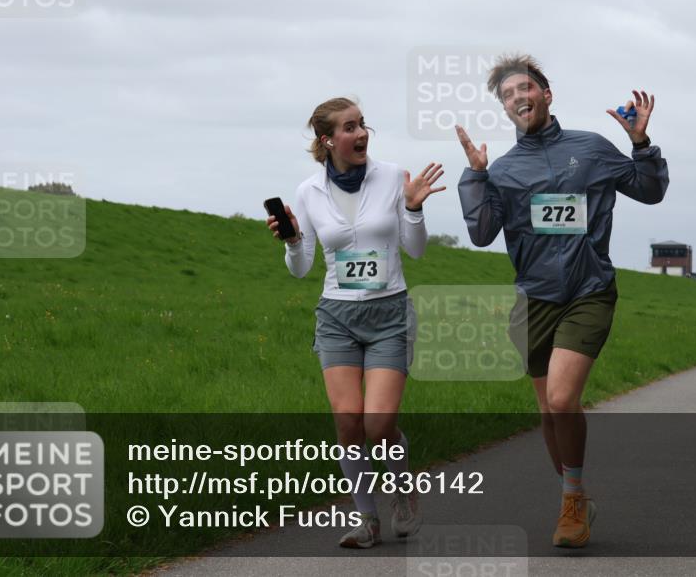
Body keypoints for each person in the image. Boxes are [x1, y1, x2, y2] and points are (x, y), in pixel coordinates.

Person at [456, 54, 669, 548]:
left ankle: (572, 499)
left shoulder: (591, 149)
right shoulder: (504, 171)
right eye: (507, 95)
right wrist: (476, 178)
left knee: (561, 398)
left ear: (546, 95)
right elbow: (483, 234)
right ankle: (575, 496)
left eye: (524, 89)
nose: (517, 98)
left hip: (588, 290)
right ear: (505, 109)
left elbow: (650, 190)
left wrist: (640, 143)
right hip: (532, 302)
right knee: (550, 414)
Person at [268, 97, 445, 548]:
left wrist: (414, 209)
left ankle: (404, 491)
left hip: (389, 313)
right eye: (350, 127)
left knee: (377, 424)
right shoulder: (309, 192)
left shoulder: (391, 177)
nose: (362, 133)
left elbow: (417, 250)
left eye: (363, 124)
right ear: (327, 141)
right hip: (337, 316)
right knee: (348, 422)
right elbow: (302, 266)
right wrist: (290, 242)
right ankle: (366, 519)